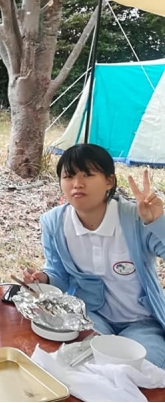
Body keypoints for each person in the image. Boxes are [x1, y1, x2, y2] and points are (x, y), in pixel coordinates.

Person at [23, 143, 165, 367]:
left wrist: (157, 222)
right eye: (68, 176)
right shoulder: (54, 224)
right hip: (90, 317)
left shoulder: (136, 218)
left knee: (146, 367)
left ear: (109, 181)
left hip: (142, 321)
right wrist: (44, 278)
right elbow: (58, 272)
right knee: (79, 361)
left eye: (87, 175)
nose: (77, 184)